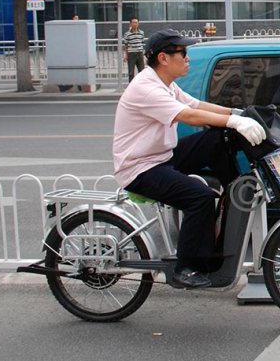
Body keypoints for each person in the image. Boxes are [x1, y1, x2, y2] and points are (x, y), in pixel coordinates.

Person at [112, 29, 266, 289]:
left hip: (162, 156)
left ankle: (232, 190)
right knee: (200, 198)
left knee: (217, 138)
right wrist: (234, 121)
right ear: (163, 58)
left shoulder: (165, 83)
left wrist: (237, 113)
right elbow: (189, 116)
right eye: (182, 53)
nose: (187, 58)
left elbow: (197, 105)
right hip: (140, 168)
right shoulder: (146, 88)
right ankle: (186, 268)